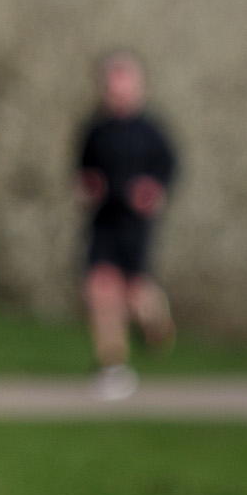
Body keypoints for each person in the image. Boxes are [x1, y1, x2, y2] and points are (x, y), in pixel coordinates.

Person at [75, 50, 178, 398]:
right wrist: (87, 186)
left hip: (135, 224)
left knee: (135, 294)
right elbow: (82, 171)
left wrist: (154, 191)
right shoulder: (94, 130)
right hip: (104, 219)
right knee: (100, 289)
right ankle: (114, 367)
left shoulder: (151, 132)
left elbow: (168, 171)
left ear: (139, 86)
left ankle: (157, 322)